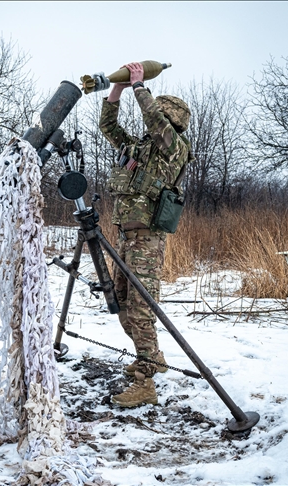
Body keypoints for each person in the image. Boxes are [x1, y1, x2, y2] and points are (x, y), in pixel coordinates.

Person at [99, 62, 191, 408]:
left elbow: (156, 122)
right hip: (125, 236)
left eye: (158, 118)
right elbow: (107, 126)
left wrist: (139, 86)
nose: (150, 123)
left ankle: (146, 383)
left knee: (141, 308)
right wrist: (118, 90)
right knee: (121, 303)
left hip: (148, 239)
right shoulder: (140, 148)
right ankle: (149, 356)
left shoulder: (175, 149)